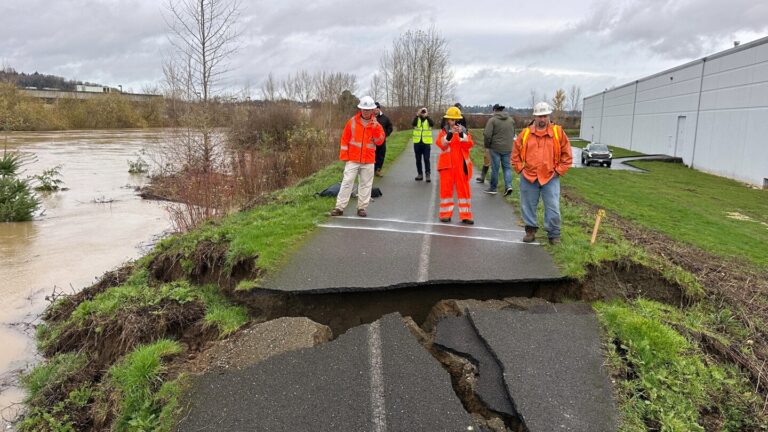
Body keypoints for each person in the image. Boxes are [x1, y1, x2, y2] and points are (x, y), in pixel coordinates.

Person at [511, 102, 573, 244]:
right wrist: (520, 169)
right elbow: (515, 153)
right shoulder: (526, 133)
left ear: (548, 116)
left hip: (550, 177)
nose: (542, 119)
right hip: (528, 177)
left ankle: (554, 234)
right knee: (527, 205)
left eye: (544, 116)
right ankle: (530, 231)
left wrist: (559, 171)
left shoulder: (558, 132)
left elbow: (567, 155)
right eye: (539, 116)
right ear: (535, 117)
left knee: (552, 206)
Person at [329, 96, 385, 218]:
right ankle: (339, 207)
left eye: (368, 109)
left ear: (372, 110)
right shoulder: (352, 122)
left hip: (368, 159)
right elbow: (345, 139)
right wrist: (345, 156)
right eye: (364, 109)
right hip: (353, 159)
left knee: (366, 184)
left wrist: (375, 128)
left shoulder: (377, 125)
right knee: (347, 182)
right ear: (360, 109)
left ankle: (362, 208)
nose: (366, 112)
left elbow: (380, 141)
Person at [436, 106, 474, 224]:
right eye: (450, 119)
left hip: (461, 167)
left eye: (453, 120)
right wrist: (449, 135)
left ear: (458, 120)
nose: (450, 122)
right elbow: (441, 144)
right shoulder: (444, 132)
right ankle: (445, 214)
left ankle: (466, 215)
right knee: (446, 191)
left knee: (464, 192)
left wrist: (461, 134)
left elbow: (469, 145)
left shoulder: (465, 132)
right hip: (447, 167)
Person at [483, 103, 516, 196]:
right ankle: (509, 186)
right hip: (508, 148)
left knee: (495, 169)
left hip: (495, 148)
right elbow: (513, 134)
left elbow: (487, 134)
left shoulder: (492, 120)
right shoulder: (511, 120)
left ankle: (493, 188)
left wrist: (487, 145)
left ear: (494, 110)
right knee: (507, 168)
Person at [412, 107, 435, 182]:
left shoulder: (428, 119)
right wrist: (417, 115)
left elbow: (432, 124)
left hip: (426, 143)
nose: (423, 112)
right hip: (417, 142)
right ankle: (420, 174)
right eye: (422, 111)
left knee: (426, 159)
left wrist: (427, 116)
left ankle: (427, 174)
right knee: (418, 159)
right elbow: (413, 124)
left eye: (424, 111)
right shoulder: (417, 119)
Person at [374, 101, 393, 177]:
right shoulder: (370, 118)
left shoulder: (385, 118)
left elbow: (390, 127)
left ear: (379, 109)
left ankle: (378, 170)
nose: (375, 110)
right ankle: (372, 170)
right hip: (372, 142)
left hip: (382, 141)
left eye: (377, 108)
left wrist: (385, 134)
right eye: (374, 109)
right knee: (373, 156)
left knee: (381, 156)